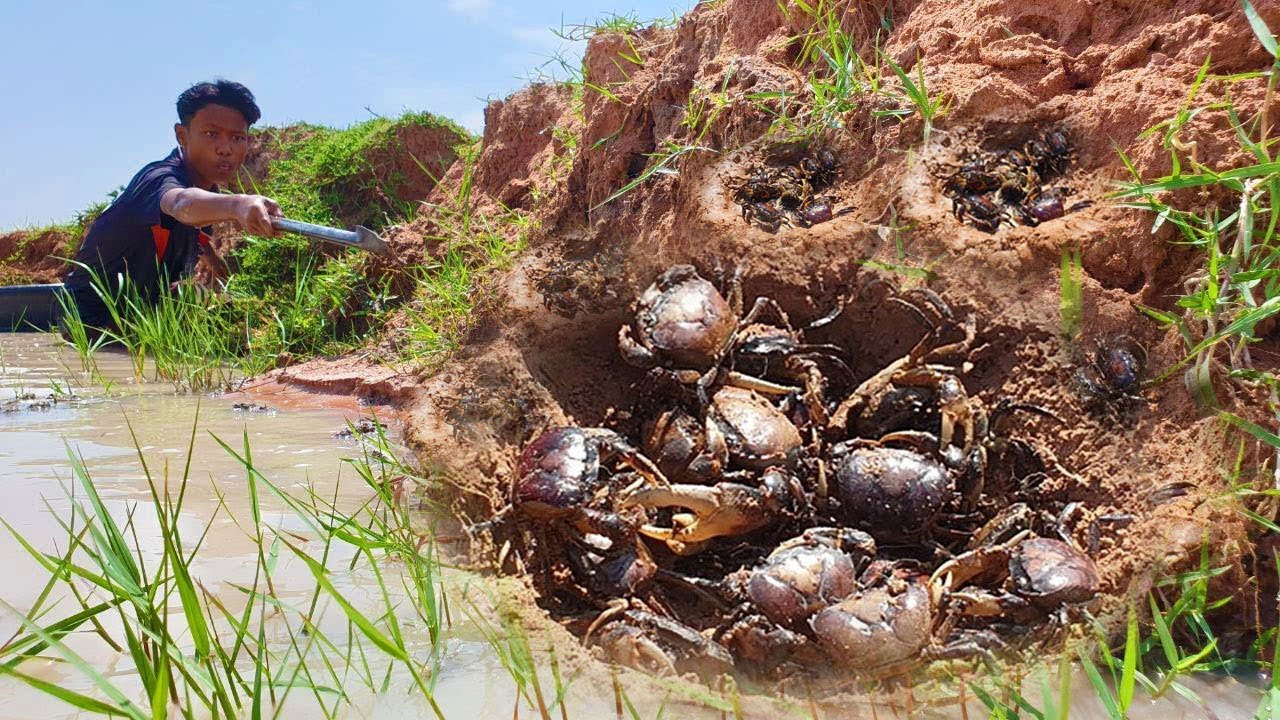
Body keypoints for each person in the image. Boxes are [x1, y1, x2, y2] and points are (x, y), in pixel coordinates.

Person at [62, 79, 282, 331]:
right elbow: (181, 204)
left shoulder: (208, 192)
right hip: (90, 322)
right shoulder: (159, 179)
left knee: (217, 304)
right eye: (212, 134)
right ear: (182, 135)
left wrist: (214, 261)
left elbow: (195, 230)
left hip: (144, 311)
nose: (226, 148)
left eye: (237, 137)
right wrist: (238, 205)